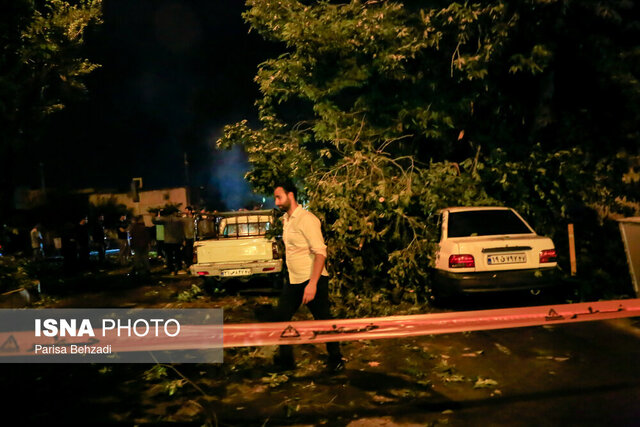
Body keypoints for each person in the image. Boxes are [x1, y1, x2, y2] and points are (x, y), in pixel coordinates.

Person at [270, 180, 345, 372]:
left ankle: (336, 360)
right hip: (294, 281)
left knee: (324, 321)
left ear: (291, 195)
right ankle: (287, 363)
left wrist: (312, 285)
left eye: (279, 197)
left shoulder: (307, 219)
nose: (276, 202)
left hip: (313, 280)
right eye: (275, 198)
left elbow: (320, 253)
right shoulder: (287, 220)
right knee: (281, 318)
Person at [152, 210, 185, 275]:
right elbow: (181, 230)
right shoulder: (178, 220)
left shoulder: (165, 219)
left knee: (169, 256)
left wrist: (153, 216)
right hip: (176, 240)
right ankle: (179, 269)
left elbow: (154, 221)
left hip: (168, 240)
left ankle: (171, 270)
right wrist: (182, 239)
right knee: (178, 255)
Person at [182, 206, 195, 272]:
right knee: (188, 252)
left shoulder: (195, 218)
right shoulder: (184, 219)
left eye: (186, 210)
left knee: (194, 251)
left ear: (190, 211)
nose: (185, 212)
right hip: (187, 237)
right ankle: (189, 264)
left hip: (194, 237)